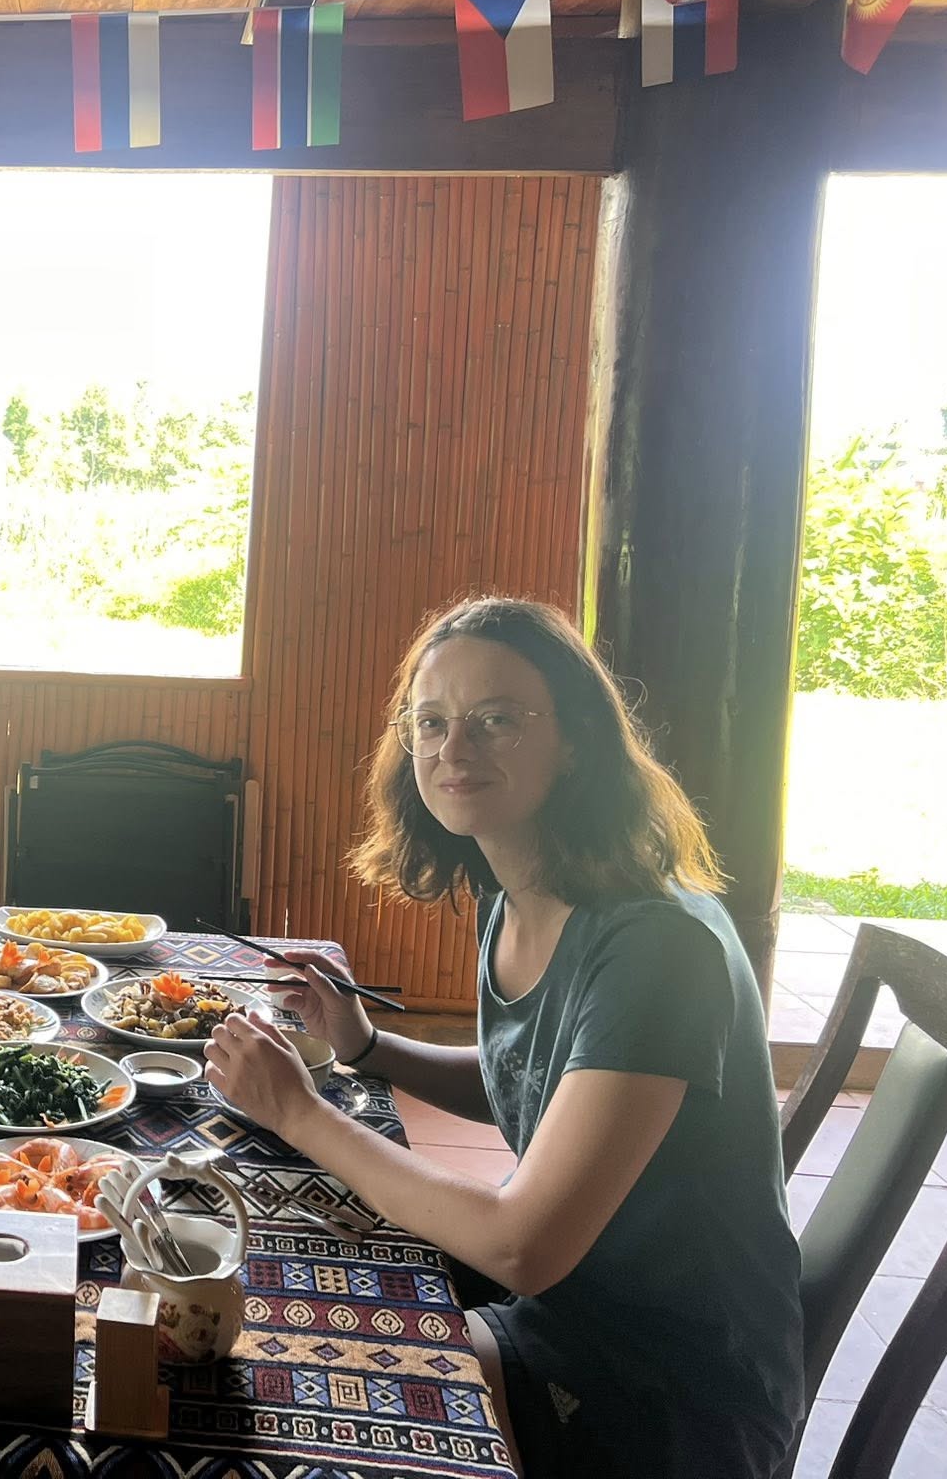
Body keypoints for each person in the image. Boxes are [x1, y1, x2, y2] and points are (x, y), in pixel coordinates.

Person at [205, 597, 804, 1478]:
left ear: (578, 740)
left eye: (498, 721)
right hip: (566, 1309)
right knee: (279, 1291)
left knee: (285, 1401)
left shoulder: (656, 948)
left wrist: (299, 1112)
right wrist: (370, 1047)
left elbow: (524, 1243)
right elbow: (542, 1084)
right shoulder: (518, 886)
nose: (455, 748)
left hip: (666, 1381)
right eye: (432, 722)